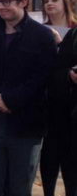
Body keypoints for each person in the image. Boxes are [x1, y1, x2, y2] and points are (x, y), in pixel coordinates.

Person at [0, 0, 56, 196]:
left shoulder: (42, 36)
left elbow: (43, 76)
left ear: (23, 1)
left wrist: (12, 99)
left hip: (26, 125)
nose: (0, 7)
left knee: (20, 187)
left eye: (6, 1)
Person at [41, 27, 77, 196]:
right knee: (51, 161)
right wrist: (69, 74)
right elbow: (57, 69)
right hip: (57, 111)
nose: (49, 4)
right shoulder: (73, 35)